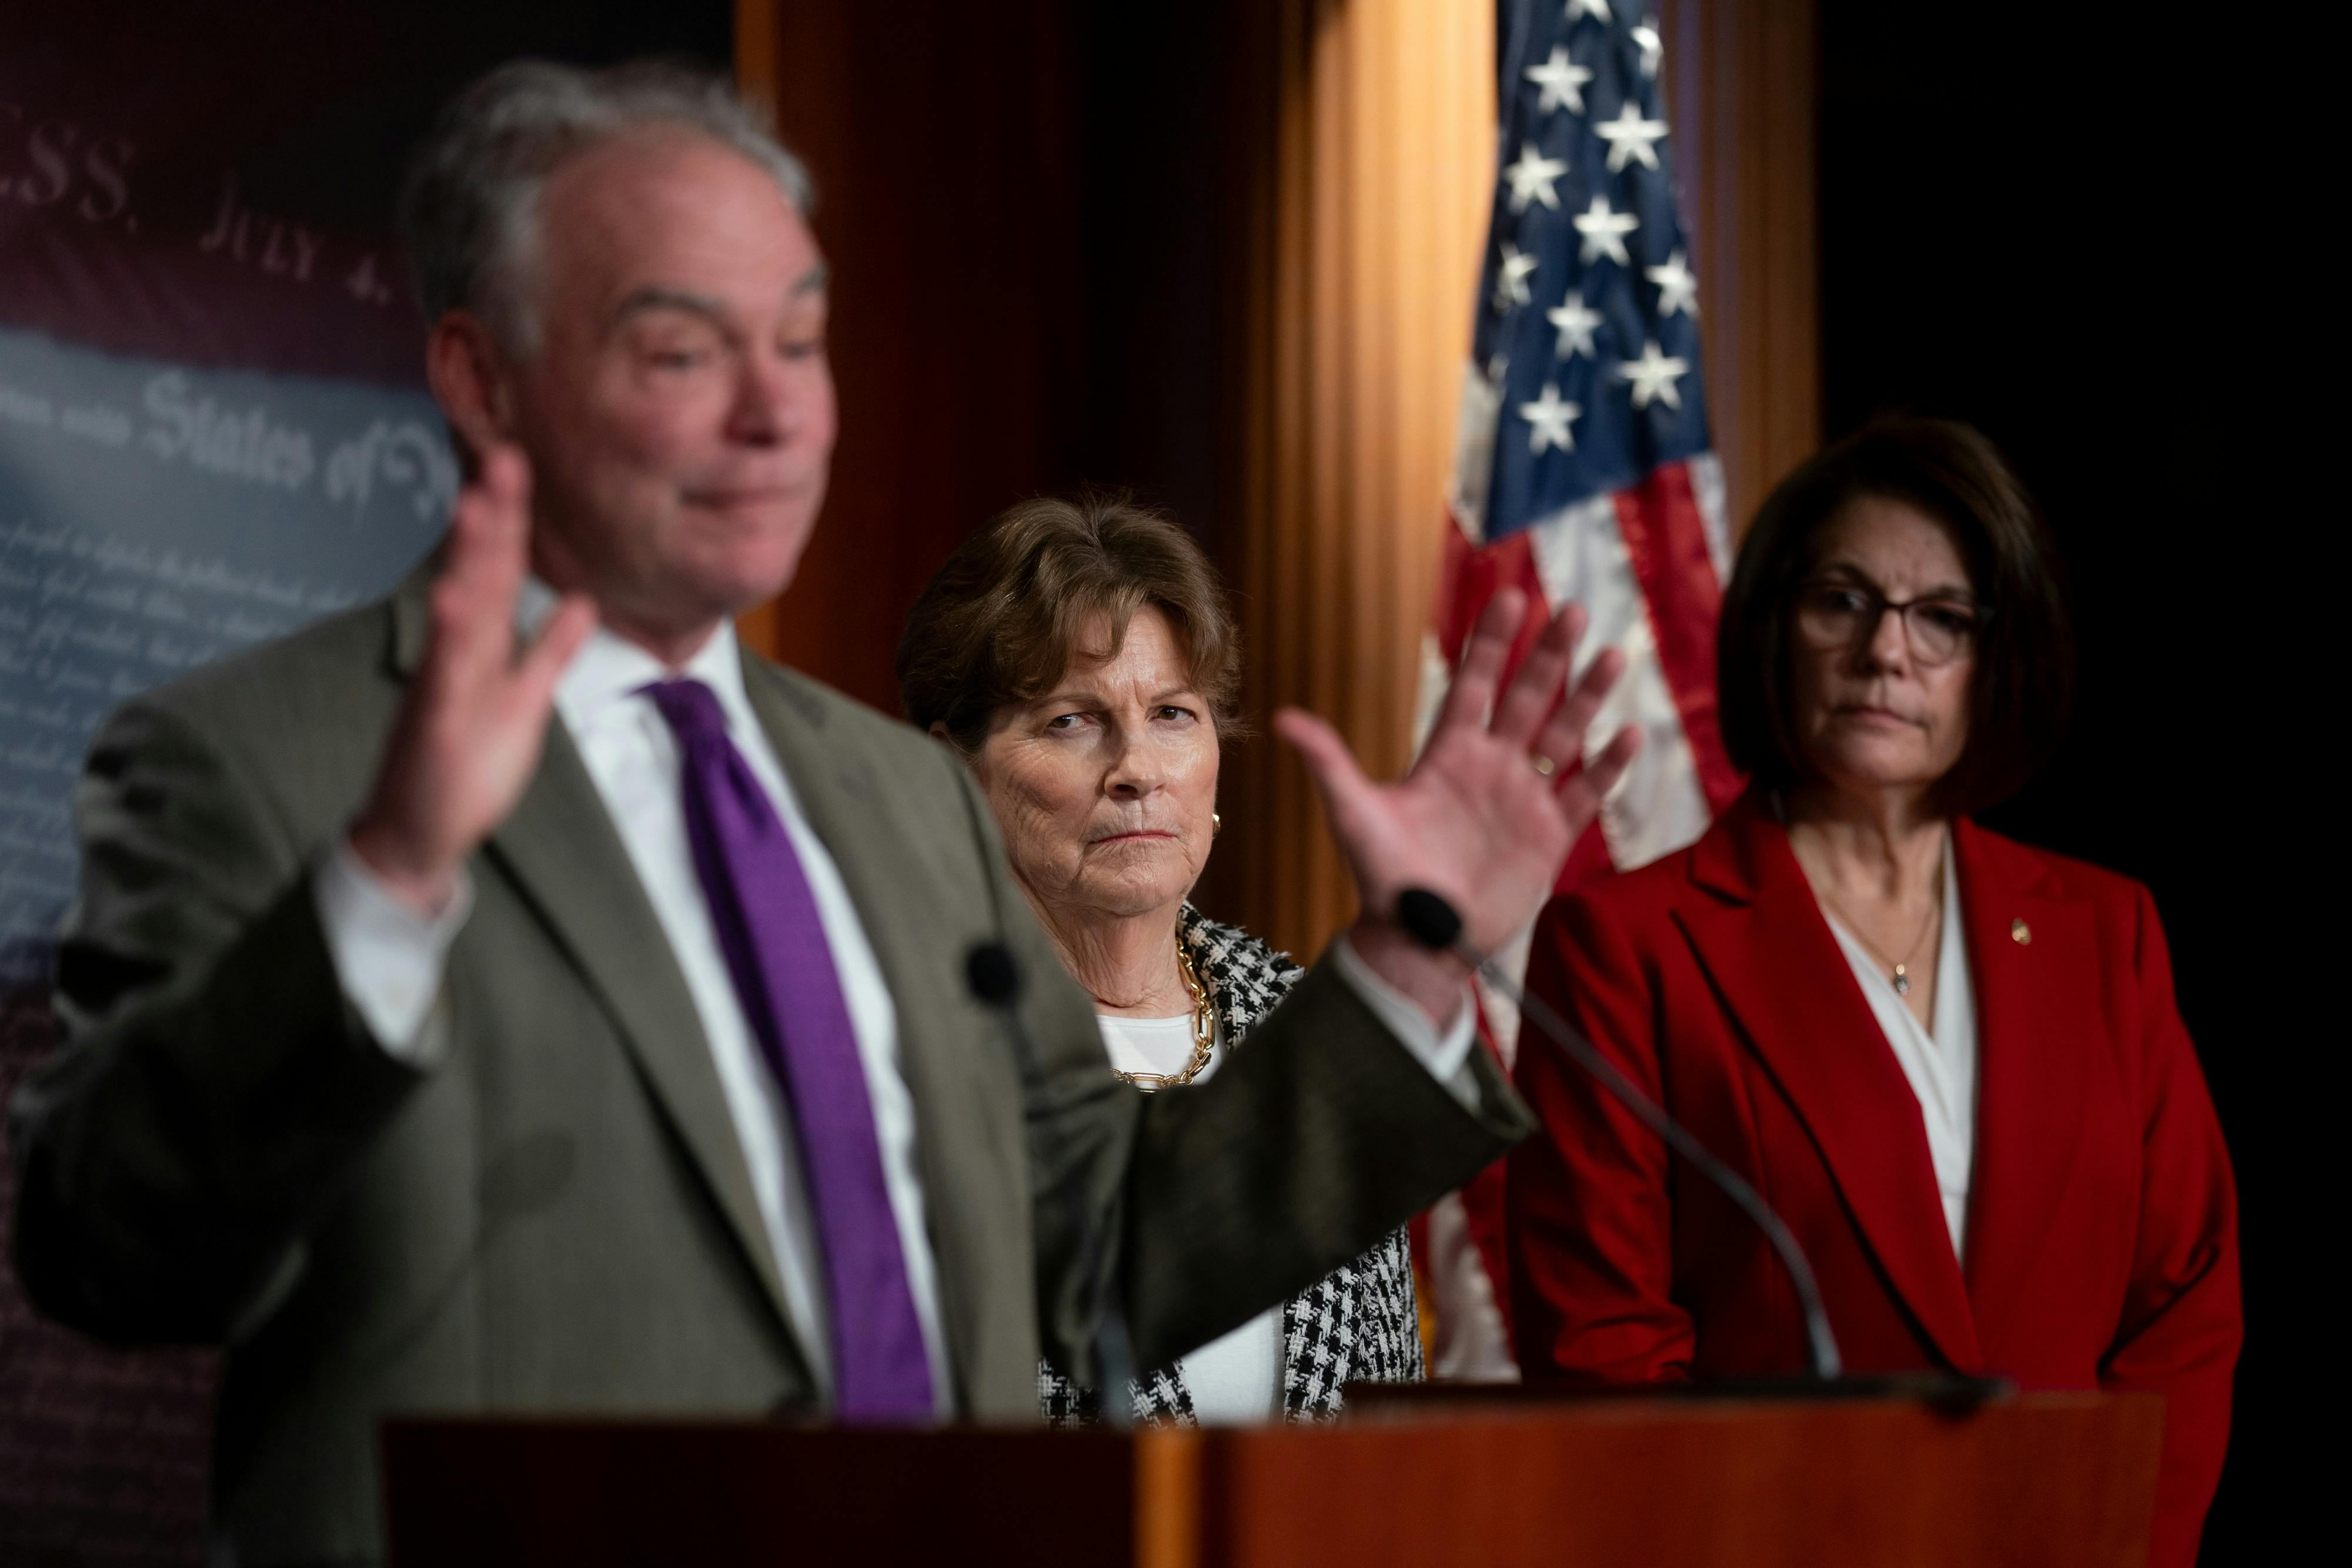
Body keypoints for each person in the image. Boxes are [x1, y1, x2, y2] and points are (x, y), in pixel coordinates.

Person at [6, 61, 1641, 1563]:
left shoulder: (901, 799)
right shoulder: (257, 755)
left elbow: (1116, 1256)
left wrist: (1414, 962)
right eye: (682, 350)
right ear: (483, 379)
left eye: (798, 339)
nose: (777, 413)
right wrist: (385, 884)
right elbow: (115, 1255)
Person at [1504, 417, 2240, 1568]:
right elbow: (1603, 1347)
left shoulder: (2107, 931)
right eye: (1840, 601)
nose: (1885, 651)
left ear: (1996, 656)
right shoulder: (1623, 945)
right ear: (1770, 628)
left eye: (1940, 617)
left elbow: (2184, 1302)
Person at [900, 494, 1428, 1423]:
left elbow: (1391, 1402)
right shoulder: (909, 1039)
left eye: (1174, 713)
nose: (1137, 767)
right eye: (1071, 720)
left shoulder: (1295, 1023)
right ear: (954, 770)